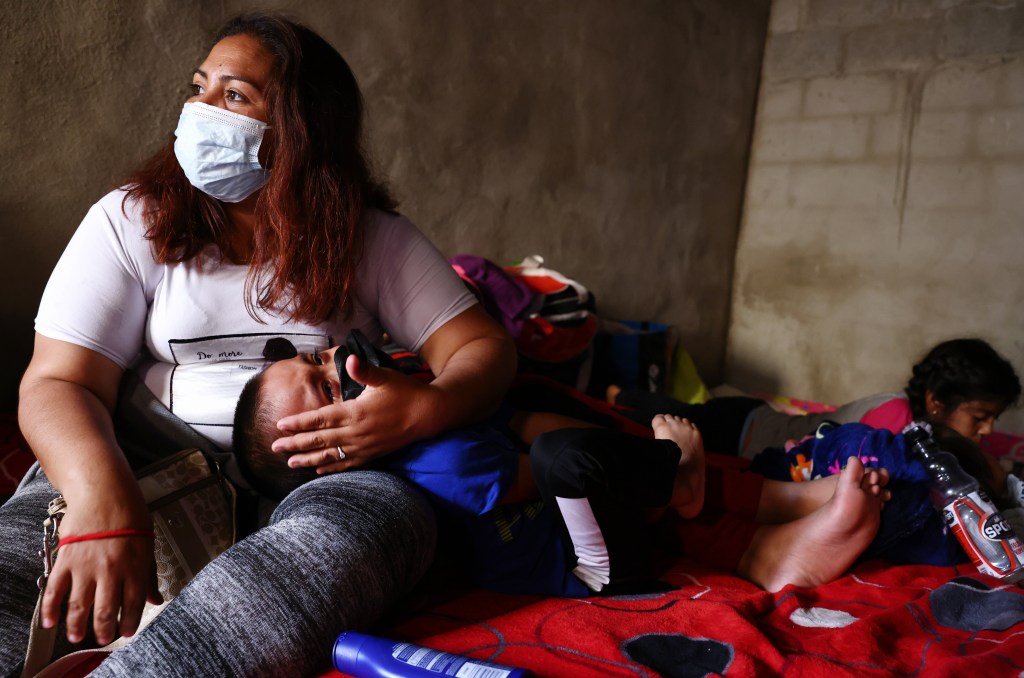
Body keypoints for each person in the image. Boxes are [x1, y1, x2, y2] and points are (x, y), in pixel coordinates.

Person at [3, 13, 516, 676]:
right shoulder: (130, 220)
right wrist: (103, 500)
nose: (199, 110)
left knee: (384, 528)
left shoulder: (368, 236)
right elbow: (56, 383)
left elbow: (484, 348)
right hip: (133, 460)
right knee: (11, 566)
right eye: (198, 88)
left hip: (317, 481)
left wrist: (429, 407)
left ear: (299, 132)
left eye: (234, 96)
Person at [233, 346, 893, 596]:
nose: (337, 362)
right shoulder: (438, 465)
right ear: (330, 463)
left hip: (583, 515)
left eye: (315, 358)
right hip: (589, 570)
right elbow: (550, 465)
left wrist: (620, 448)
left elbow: (528, 422)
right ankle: (748, 537)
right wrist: (651, 463)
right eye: (327, 389)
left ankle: (778, 501)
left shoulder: (421, 411)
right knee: (571, 461)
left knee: (554, 420)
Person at [609, 338, 1022, 456]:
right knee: (671, 415)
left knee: (679, 411)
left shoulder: (928, 435)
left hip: (756, 421)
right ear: (936, 402)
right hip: (747, 430)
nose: (987, 430)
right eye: (980, 416)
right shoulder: (897, 418)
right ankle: (619, 393)